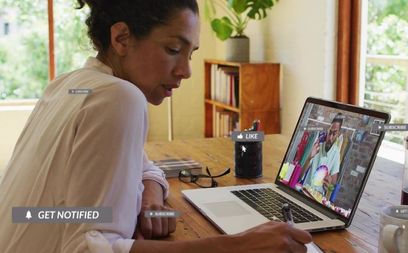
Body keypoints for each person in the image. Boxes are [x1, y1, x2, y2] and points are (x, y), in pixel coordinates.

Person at [0, 0, 312, 252]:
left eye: (191, 54)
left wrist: (150, 193)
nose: (186, 71)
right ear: (121, 38)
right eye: (174, 50)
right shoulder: (120, 97)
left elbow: (142, 164)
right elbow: (86, 248)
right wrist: (240, 245)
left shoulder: (70, 84)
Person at [301, 113, 344, 196]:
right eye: (330, 132)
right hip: (305, 190)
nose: (330, 137)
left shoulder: (336, 154)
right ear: (328, 130)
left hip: (318, 196)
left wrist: (329, 184)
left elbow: (332, 185)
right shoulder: (317, 145)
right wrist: (309, 158)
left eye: (334, 133)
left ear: (338, 134)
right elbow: (300, 175)